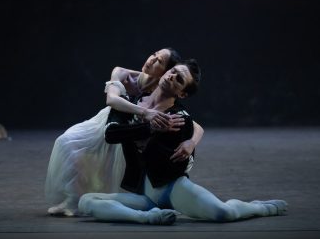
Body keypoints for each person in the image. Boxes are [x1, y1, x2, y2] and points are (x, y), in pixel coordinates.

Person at [78, 60, 288, 225]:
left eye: (179, 79)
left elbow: (172, 164)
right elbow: (112, 134)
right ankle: (146, 218)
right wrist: (148, 129)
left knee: (224, 212)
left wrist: (186, 143)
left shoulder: (179, 118)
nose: (172, 76)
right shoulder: (131, 105)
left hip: (172, 189)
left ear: (182, 93)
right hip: (146, 197)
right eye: (172, 71)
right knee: (86, 202)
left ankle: (261, 207)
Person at [45, 48, 204, 216]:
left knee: (109, 169)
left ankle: (82, 200)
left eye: (159, 61)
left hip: (128, 131)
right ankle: (72, 199)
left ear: (165, 71)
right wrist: (144, 113)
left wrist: (191, 141)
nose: (151, 60)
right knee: (69, 144)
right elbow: (112, 100)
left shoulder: (164, 89)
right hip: (108, 122)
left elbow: (196, 126)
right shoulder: (122, 73)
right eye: (154, 55)